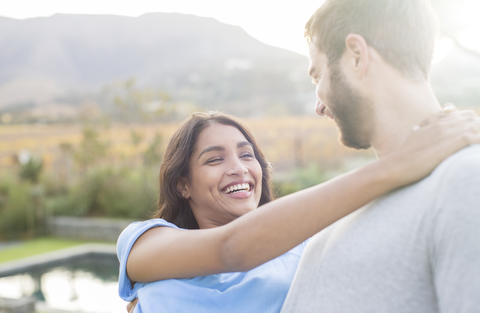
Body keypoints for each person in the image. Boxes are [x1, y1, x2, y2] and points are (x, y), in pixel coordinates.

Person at [117, 110, 480, 313]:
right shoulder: (144, 242)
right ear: (183, 184)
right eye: (215, 159)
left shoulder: (306, 250)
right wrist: (399, 163)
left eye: (247, 155)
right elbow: (231, 250)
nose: (240, 168)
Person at [279, 0, 480, 312]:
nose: (318, 106)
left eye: (318, 76)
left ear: (357, 56)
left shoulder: (465, 178)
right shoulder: (353, 199)